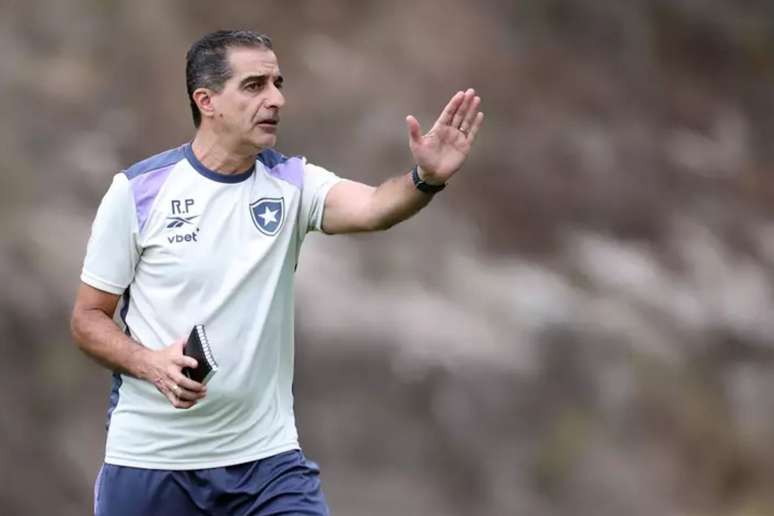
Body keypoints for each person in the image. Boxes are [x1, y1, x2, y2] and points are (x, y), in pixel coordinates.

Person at [71, 29, 484, 516]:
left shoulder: (291, 182)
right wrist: (149, 363)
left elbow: (375, 207)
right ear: (206, 101)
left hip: (265, 466)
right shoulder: (138, 192)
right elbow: (88, 319)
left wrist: (425, 179)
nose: (276, 99)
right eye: (254, 85)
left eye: (277, 84)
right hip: (150, 463)